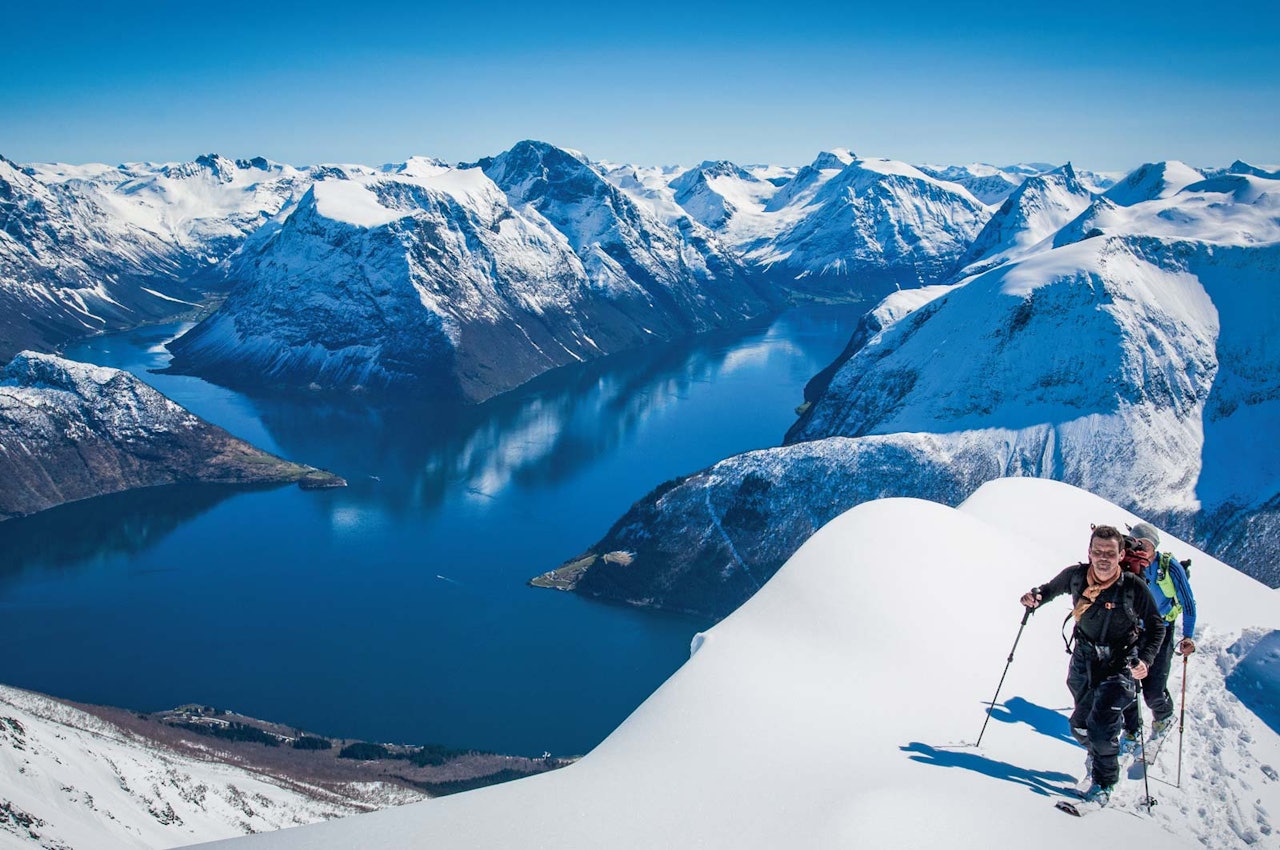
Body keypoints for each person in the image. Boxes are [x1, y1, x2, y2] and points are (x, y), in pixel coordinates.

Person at [1019, 525, 1166, 806]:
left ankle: (1104, 784)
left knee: (1099, 728)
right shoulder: (1075, 577)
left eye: (1110, 552)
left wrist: (1145, 661)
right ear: (1089, 552)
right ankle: (1102, 754)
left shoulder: (1133, 587)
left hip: (1121, 663)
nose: (1103, 557)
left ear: (1121, 554)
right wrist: (1035, 598)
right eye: (1098, 551)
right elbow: (1049, 590)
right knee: (1079, 726)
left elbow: (1156, 627)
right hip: (1084, 661)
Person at [1120, 522, 1197, 750]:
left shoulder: (1170, 567)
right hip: (1134, 629)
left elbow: (1188, 603)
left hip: (1160, 628)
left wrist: (1188, 636)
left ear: (1154, 546)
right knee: (1128, 682)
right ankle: (1132, 728)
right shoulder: (1128, 564)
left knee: (1153, 687)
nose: (1140, 547)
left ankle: (1163, 717)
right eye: (1136, 542)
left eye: (1145, 543)